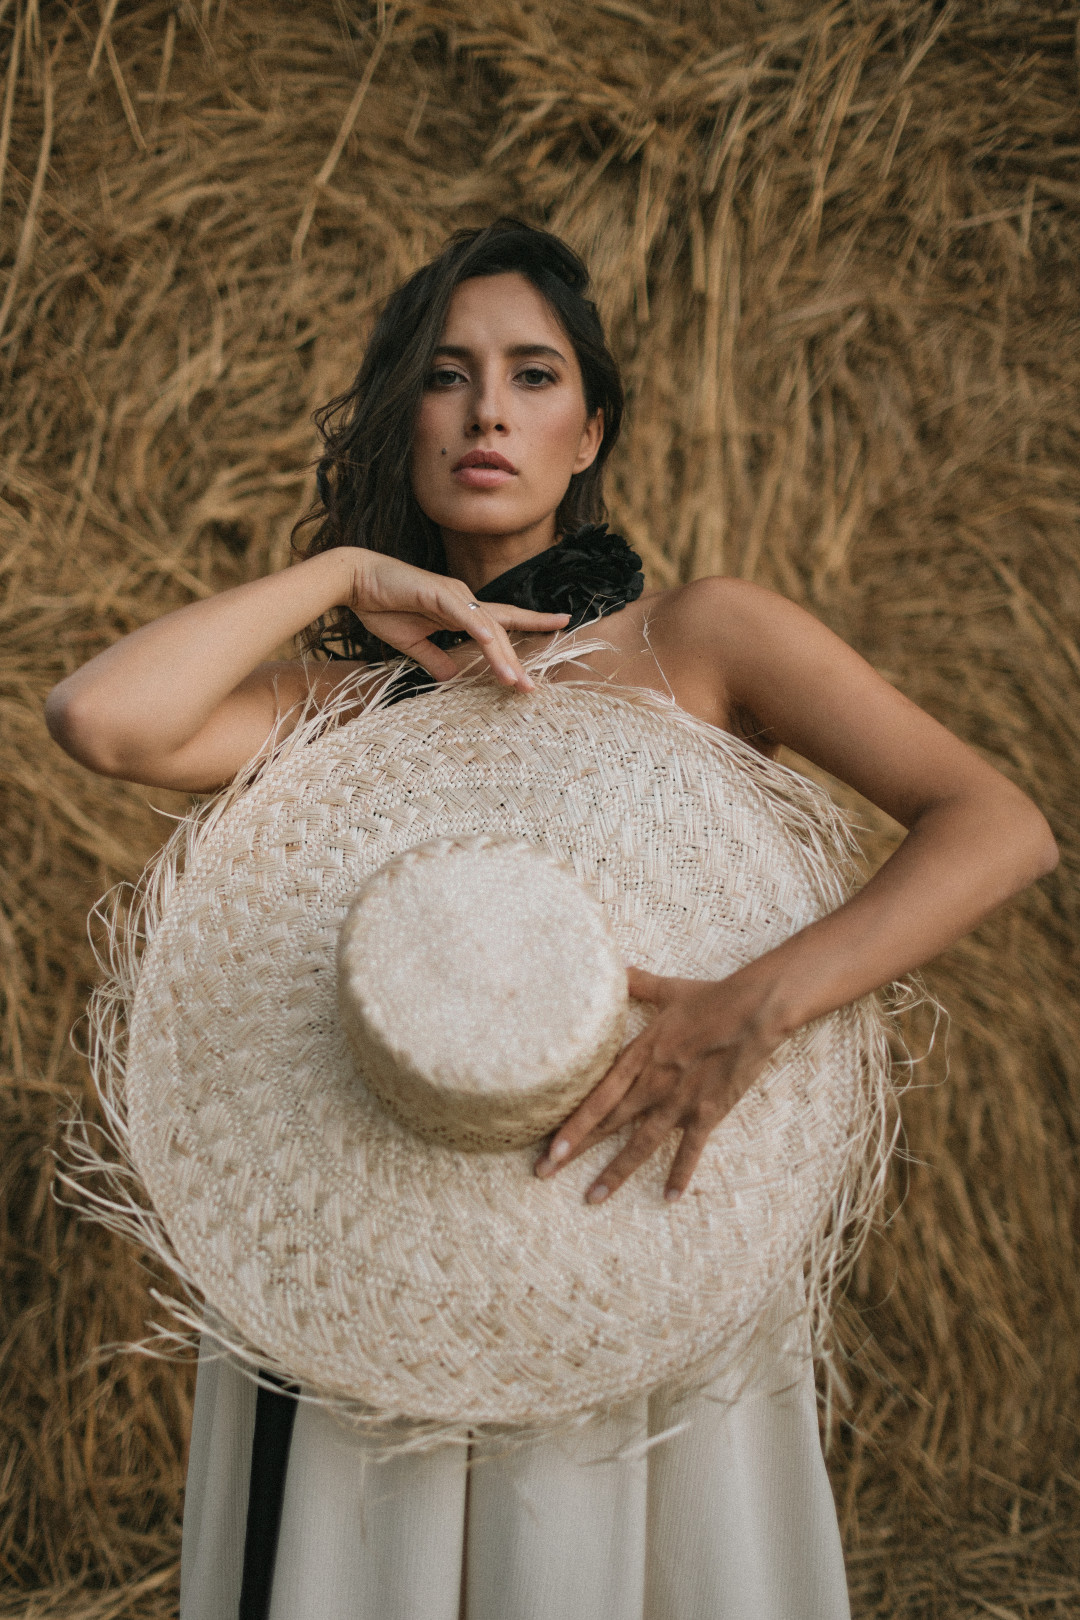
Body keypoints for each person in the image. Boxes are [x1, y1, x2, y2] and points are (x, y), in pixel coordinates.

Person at [46, 221, 1057, 1620]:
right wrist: (345, 577)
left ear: (589, 435)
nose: (487, 412)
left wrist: (754, 1007)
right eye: (446, 376)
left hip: (628, 1223)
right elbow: (100, 719)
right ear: (403, 420)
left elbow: (997, 824)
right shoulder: (340, 708)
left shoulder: (703, 638)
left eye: (533, 375)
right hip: (383, 1232)